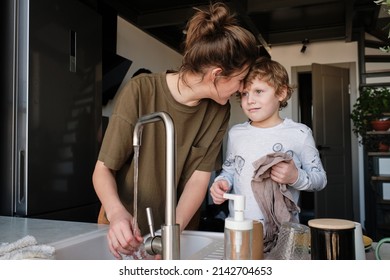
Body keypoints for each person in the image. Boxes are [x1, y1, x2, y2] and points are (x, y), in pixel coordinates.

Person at [92, 2, 257, 259]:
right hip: (124, 231)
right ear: (217, 75)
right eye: (240, 79)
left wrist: (171, 233)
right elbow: (102, 169)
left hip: (178, 233)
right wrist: (116, 214)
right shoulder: (140, 90)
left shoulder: (218, 111)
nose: (241, 88)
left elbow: (198, 181)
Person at [209, 57, 327, 252]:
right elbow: (230, 170)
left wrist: (295, 177)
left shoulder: (299, 134)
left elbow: (320, 179)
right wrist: (222, 182)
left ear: (281, 93)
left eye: (258, 91)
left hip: (285, 236)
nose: (250, 100)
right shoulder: (236, 133)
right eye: (245, 93)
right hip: (240, 231)